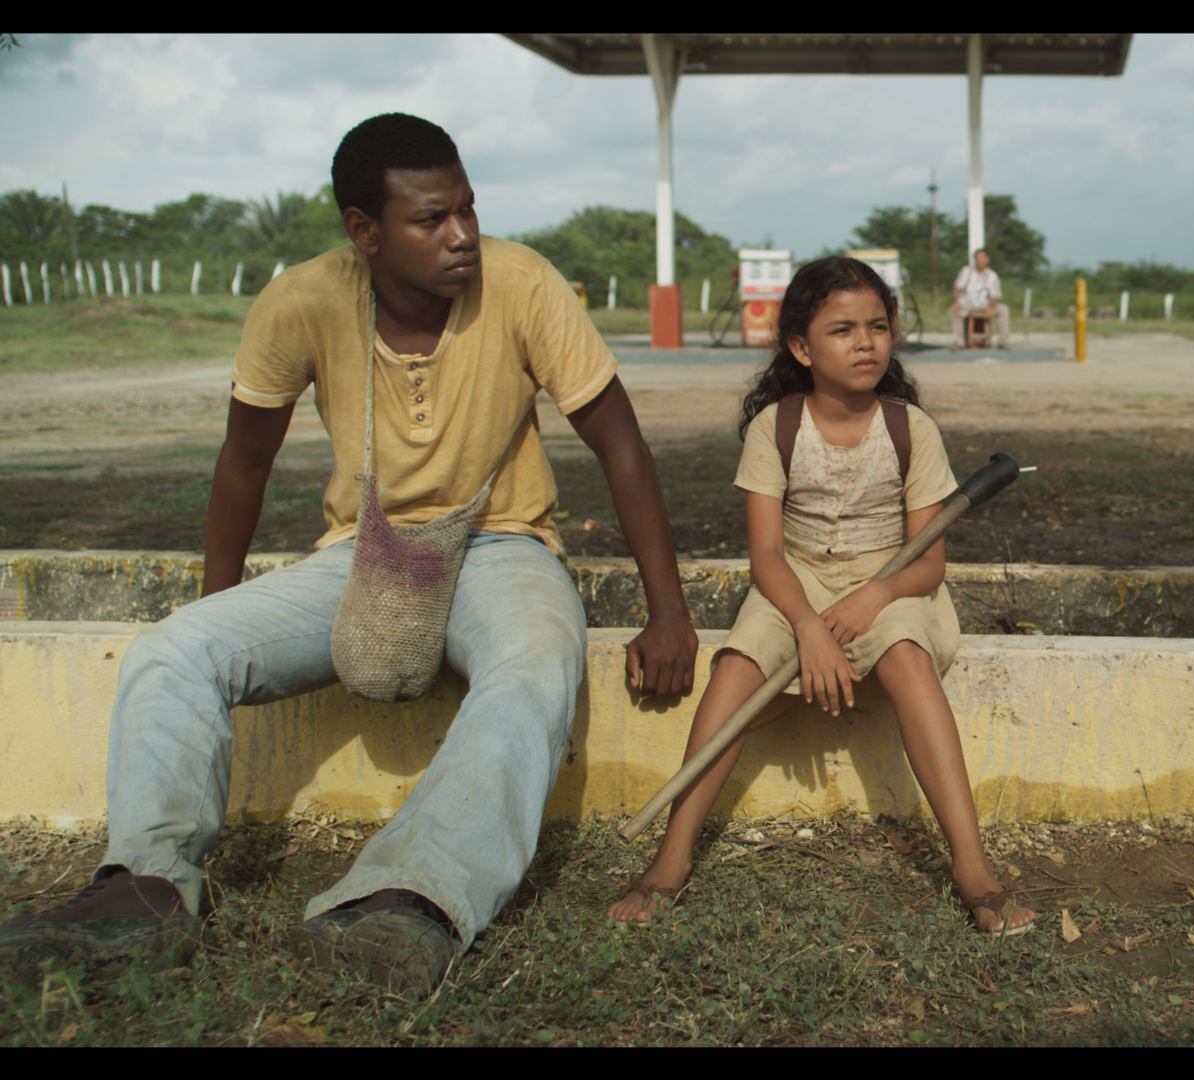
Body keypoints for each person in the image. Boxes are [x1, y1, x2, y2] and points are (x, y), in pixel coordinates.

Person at [0, 114, 701, 997]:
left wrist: (667, 610)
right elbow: (243, 463)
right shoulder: (303, 300)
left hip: (502, 545)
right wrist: (214, 615)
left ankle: (412, 895)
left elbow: (621, 444)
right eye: (432, 219)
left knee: (534, 669)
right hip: (361, 554)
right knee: (171, 650)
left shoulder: (522, 284)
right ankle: (145, 892)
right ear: (363, 230)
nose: (463, 237)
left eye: (470, 210)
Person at [608, 256, 1036, 937]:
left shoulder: (910, 430)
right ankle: (671, 858)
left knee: (906, 655)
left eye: (877, 326)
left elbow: (927, 567)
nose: (865, 342)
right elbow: (767, 558)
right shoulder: (774, 428)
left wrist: (875, 597)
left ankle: (974, 869)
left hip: (890, 577)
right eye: (842, 330)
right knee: (738, 668)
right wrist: (807, 626)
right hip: (794, 579)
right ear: (802, 348)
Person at [949, 248, 1011, 350]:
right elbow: (957, 288)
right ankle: (959, 342)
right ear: (974, 260)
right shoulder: (966, 271)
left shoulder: (992, 275)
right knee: (955, 310)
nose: (980, 261)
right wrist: (955, 302)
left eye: (983, 258)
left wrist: (990, 308)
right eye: (978, 258)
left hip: (985, 304)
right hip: (967, 303)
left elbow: (995, 296)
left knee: (1003, 309)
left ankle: (1003, 341)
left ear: (987, 260)